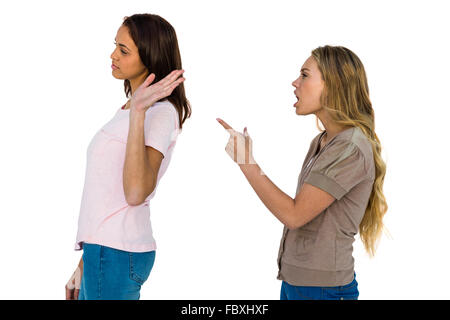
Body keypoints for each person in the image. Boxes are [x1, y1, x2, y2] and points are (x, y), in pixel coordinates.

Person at [217, 45, 387, 300]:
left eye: (305, 75)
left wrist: (246, 162)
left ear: (333, 85)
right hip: (298, 283)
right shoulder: (323, 141)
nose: (295, 82)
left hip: (324, 290)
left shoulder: (350, 147)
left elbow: (294, 215)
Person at [65, 13, 191, 300]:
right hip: (103, 253)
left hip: (116, 254)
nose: (113, 55)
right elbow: (104, 197)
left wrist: (138, 111)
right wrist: (85, 262)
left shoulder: (159, 113)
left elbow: (135, 192)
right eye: (115, 46)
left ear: (150, 58)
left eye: (124, 50)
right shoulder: (130, 110)